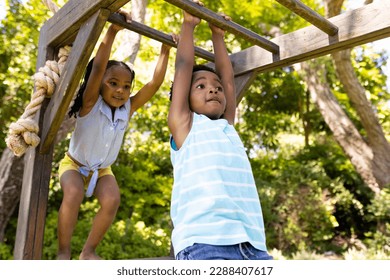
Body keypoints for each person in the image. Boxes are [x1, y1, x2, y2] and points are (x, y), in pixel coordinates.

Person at [57, 9, 175, 260]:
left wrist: (165, 50)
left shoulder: (127, 109)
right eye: (113, 83)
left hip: (102, 170)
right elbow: (98, 67)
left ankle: (88, 251)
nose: (121, 91)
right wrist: (111, 31)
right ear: (99, 84)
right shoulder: (90, 103)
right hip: (74, 165)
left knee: (112, 200)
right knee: (74, 193)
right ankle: (63, 252)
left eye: (126, 86)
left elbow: (153, 85)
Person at [167, 1, 272, 260]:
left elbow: (228, 78)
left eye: (216, 87)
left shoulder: (227, 126)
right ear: (184, 99)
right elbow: (183, 67)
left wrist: (218, 36)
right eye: (200, 86)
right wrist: (189, 25)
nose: (213, 89)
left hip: (253, 244)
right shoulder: (185, 126)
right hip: (203, 243)